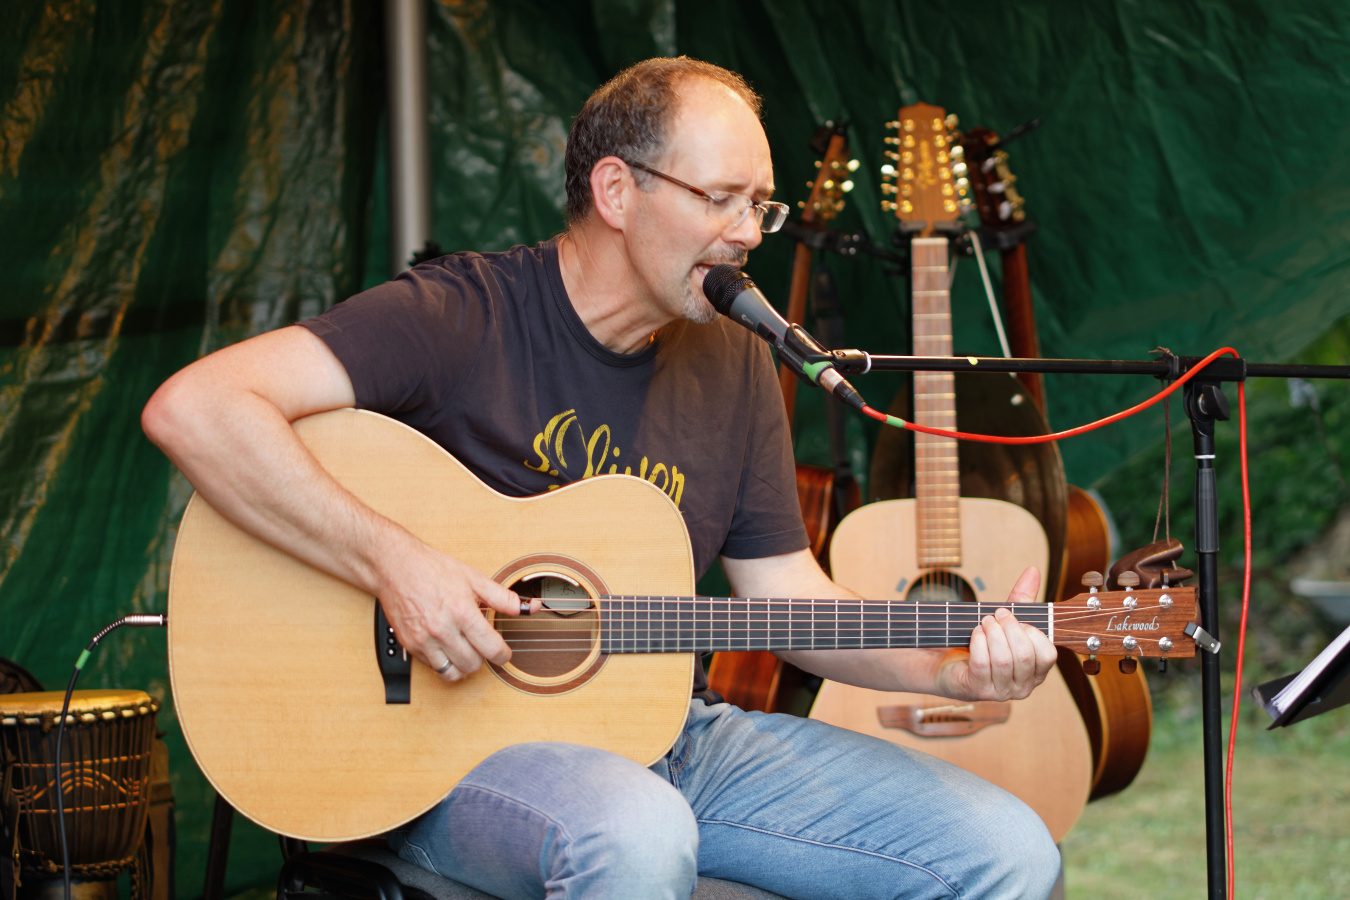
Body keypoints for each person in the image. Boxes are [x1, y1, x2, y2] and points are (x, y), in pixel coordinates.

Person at [143, 56, 1061, 900]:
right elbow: (197, 408)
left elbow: (788, 598)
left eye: (762, 207)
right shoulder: (461, 316)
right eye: (721, 199)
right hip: (444, 752)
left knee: (1005, 848)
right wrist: (396, 563)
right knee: (635, 831)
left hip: (671, 738)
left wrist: (954, 669)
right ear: (616, 189)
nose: (748, 234)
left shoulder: (739, 361)